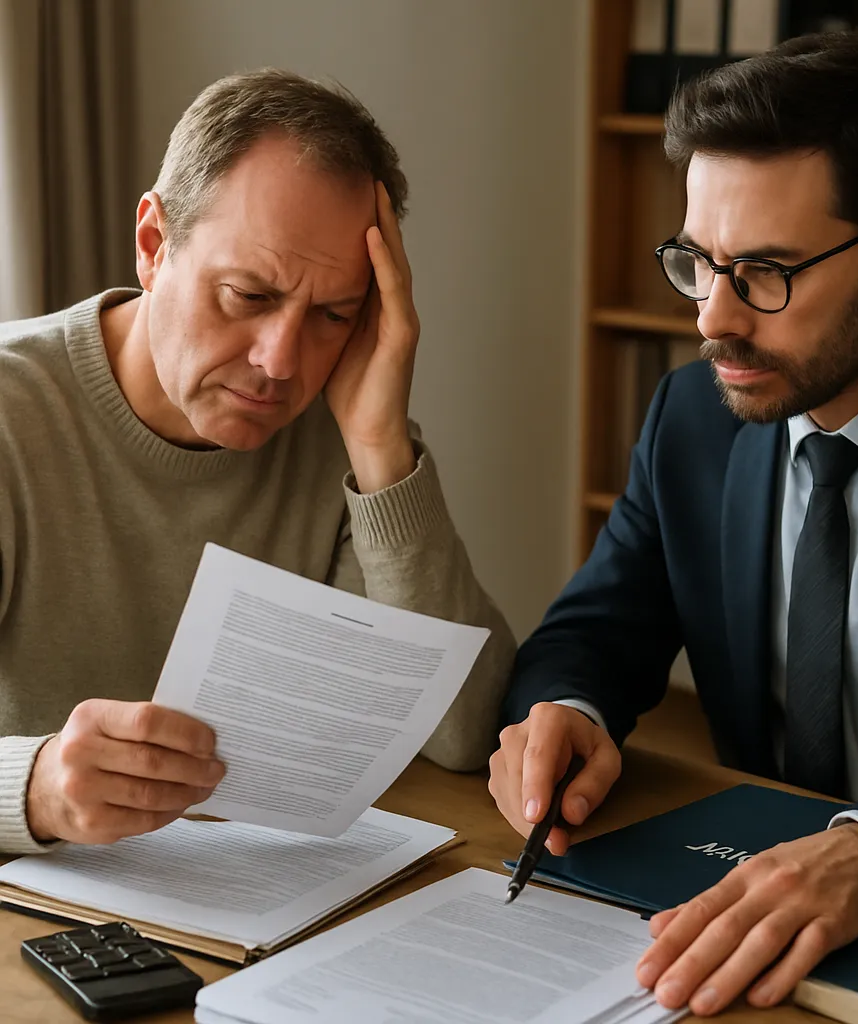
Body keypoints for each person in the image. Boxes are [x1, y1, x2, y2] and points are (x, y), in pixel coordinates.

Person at [489, 31, 858, 1017]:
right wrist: (567, 710)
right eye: (697, 261)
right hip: (751, 958)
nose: (711, 320)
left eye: (767, 272)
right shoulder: (693, 417)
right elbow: (595, 630)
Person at [0, 69, 515, 855]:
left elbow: (462, 732)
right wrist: (32, 788)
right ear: (152, 244)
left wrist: (380, 448)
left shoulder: (338, 435)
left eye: (334, 315)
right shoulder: (11, 416)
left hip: (259, 903)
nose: (279, 363)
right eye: (247, 295)